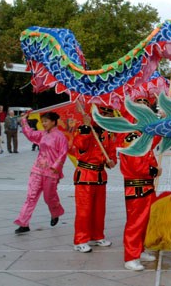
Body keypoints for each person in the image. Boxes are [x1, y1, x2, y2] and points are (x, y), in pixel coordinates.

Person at [13, 111, 68, 234]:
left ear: (53, 122)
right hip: (37, 169)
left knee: (49, 197)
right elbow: (30, 134)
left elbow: (63, 153)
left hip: (51, 172)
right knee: (31, 196)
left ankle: (55, 212)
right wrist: (24, 121)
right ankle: (23, 223)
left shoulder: (60, 136)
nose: (43, 124)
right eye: (42, 121)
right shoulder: (42, 134)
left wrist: (56, 166)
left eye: (46, 121)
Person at [72, 107, 118, 253]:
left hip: (100, 176)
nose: (106, 117)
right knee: (84, 210)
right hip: (85, 175)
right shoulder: (83, 130)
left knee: (99, 210)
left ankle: (97, 235)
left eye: (107, 115)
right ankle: (80, 240)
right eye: (103, 114)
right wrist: (86, 126)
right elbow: (80, 145)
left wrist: (111, 162)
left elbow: (111, 153)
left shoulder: (106, 134)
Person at [120, 130, 161, 271]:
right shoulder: (132, 137)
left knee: (145, 222)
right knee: (135, 223)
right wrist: (154, 171)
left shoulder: (142, 136)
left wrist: (164, 125)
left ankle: (139, 250)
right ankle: (131, 257)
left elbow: (152, 142)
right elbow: (136, 164)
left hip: (146, 186)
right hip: (137, 187)